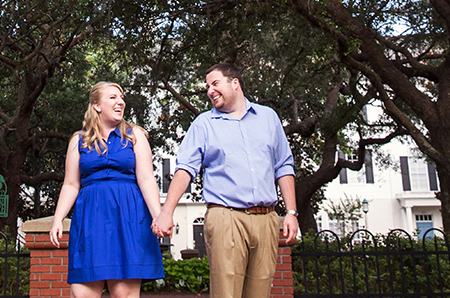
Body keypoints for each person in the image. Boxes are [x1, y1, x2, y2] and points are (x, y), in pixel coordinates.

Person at [152, 62, 298, 298]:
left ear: (235, 83)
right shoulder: (204, 124)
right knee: (226, 294)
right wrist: (167, 211)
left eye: (215, 83)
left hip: (267, 218)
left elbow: (283, 165)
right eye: (207, 86)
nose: (210, 90)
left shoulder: (268, 117)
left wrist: (291, 212)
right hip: (225, 218)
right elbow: (185, 168)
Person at [50, 81, 165, 298]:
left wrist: (159, 216)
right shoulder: (78, 140)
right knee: (82, 292)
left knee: (123, 293)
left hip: (129, 219)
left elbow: (147, 179)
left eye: (121, 98)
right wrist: (58, 218)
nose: (120, 101)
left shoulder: (135, 135)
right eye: (113, 97)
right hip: (91, 220)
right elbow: (71, 184)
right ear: (97, 105)